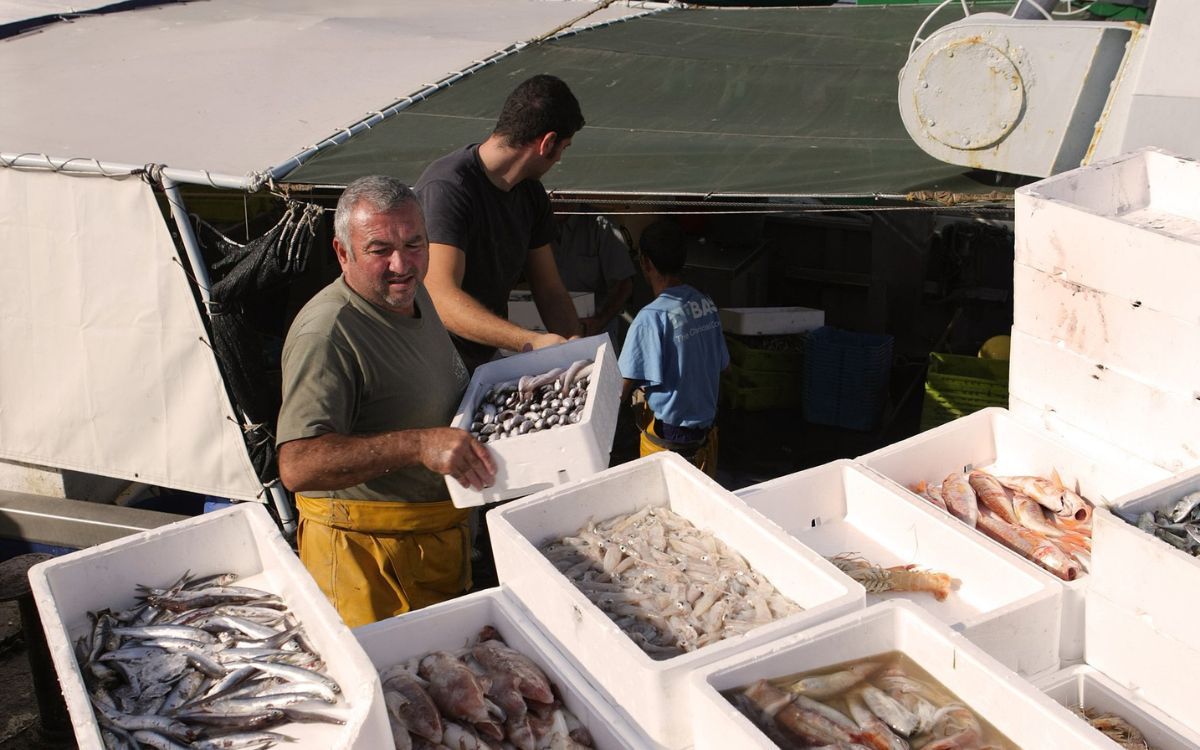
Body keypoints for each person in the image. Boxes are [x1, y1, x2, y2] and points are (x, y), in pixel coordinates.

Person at [276, 176, 496, 628]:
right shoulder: (328, 333)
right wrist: (419, 446)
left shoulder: (415, 295)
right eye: (380, 250)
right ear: (343, 253)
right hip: (369, 569)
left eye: (415, 244)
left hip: (429, 547)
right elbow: (297, 465)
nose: (402, 264)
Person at [415, 73, 586, 373]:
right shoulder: (448, 187)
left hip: (485, 362)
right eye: (566, 147)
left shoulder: (531, 194)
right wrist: (529, 341)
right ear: (548, 143)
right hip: (434, 368)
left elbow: (549, 289)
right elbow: (440, 297)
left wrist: (576, 349)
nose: (560, 159)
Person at [618, 219, 729, 477]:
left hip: (669, 436)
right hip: (705, 434)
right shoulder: (705, 303)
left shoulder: (650, 318)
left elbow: (619, 391)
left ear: (645, 262)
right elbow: (725, 366)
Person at [552, 205, 636, 350]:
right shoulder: (538, 221)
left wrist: (599, 320)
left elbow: (625, 284)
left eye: (561, 192)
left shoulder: (600, 224)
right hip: (552, 333)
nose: (556, 197)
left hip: (597, 331)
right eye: (551, 193)